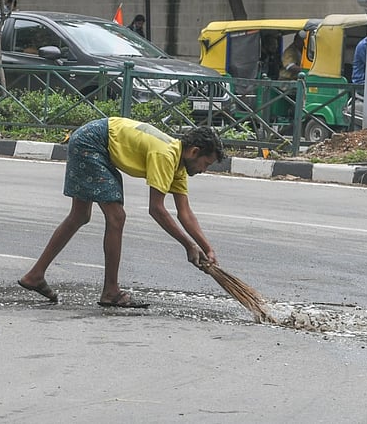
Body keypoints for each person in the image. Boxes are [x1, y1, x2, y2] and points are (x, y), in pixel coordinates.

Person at [17, 118, 225, 307]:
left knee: (80, 215)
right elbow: (157, 209)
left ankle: (35, 275)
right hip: (91, 143)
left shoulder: (179, 166)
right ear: (194, 152)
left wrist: (208, 248)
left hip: (95, 141)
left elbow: (185, 212)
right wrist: (189, 245)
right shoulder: (165, 155)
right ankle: (111, 291)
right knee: (116, 217)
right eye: (206, 164)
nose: (204, 170)